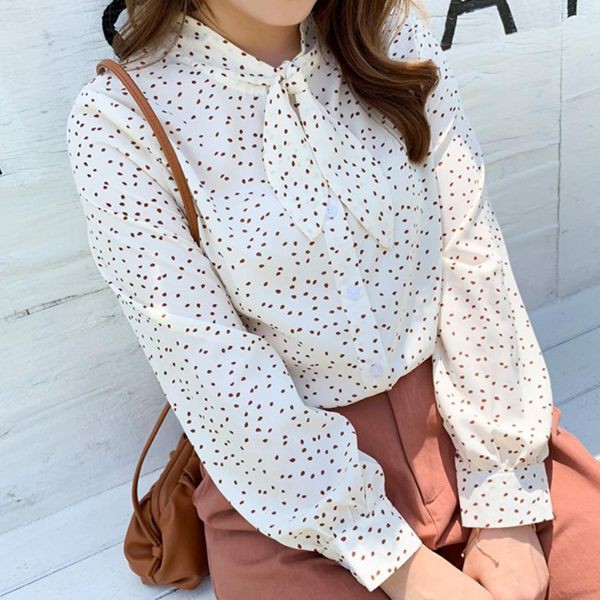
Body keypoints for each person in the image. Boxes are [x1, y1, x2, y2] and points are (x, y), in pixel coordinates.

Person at [65, 0, 600, 598]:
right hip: (295, 496)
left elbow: (471, 260)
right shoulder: (118, 123)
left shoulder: (389, 33)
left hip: (474, 425)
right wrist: (403, 568)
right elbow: (214, 371)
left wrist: (506, 508)